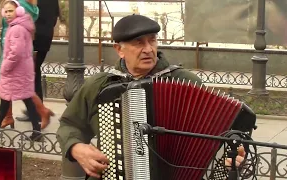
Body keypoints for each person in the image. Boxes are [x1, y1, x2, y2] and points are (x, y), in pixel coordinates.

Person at [56, 14, 247, 179]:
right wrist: (75, 147)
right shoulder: (100, 85)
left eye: (152, 40)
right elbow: (70, 124)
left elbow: (219, 137)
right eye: (138, 42)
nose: (148, 49)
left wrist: (229, 159)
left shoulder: (185, 82)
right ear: (119, 50)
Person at [0, 0, 53, 130]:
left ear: (18, 11)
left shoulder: (17, 28)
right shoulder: (22, 22)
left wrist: (5, 67)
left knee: (9, 97)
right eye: (6, 11)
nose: (8, 14)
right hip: (19, 67)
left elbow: (16, 52)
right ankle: (34, 127)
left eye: (11, 11)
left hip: (15, 67)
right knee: (23, 98)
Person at [16, 0, 60, 122]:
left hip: (35, 38)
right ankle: (36, 110)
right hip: (45, 37)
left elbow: (31, 15)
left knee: (30, 73)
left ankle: (38, 111)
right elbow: (55, 18)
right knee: (33, 72)